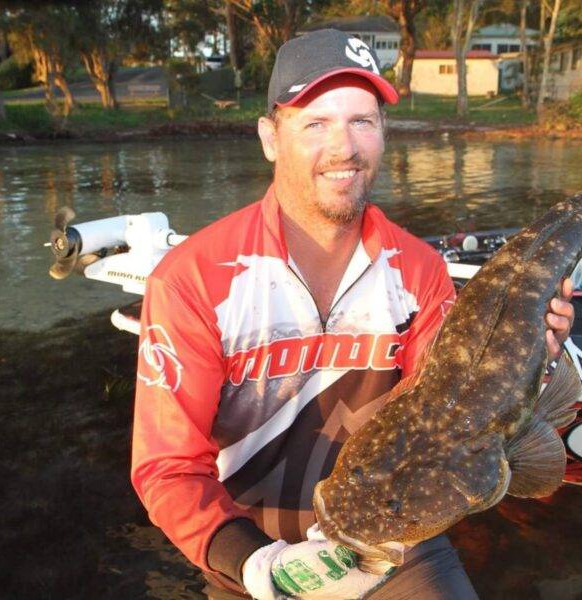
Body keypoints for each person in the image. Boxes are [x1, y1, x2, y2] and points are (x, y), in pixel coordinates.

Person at [131, 29, 575, 600]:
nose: (345, 147)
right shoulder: (191, 279)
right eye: (315, 123)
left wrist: (535, 356)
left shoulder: (419, 269)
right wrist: (255, 567)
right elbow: (167, 467)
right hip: (249, 547)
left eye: (362, 121)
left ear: (383, 133)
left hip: (398, 545)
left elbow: (460, 415)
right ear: (270, 137)